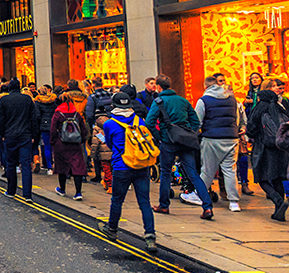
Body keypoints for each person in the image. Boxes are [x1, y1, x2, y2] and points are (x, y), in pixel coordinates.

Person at [145, 74, 214, 219]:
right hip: (185, 141)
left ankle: (164, 205)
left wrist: (160, 137)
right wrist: (190, 133)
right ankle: (207, 207)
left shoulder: (158, 101)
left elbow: (150, 122)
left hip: (168, 141)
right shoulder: (183, 100)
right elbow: (195, 121)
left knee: (165, 173)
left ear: (158, 86)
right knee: (193, 174)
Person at [99, 92, 158, 252]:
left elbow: (110, 144)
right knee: (144, 202)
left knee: (117, 200)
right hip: (141, 165)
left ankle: (112, 229)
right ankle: (150, 237)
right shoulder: (139, 120)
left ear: (114, 105)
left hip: (122, 166)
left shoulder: (110, 124)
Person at [195, 76, 242, 213]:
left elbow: (197, 121)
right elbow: (237, 119)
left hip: (212, 138)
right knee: (230, 171)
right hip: (231, 138)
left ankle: (200, 195)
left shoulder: (204, 100)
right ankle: (234, 202)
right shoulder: (232, 99)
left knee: (208, 170)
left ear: (206, 87)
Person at [247, 81, 289, 222]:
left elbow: (251, 128)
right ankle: (279, 212)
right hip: (281, 147)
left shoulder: (260, 107)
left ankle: (278, 201)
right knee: (277, 177)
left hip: (263, 147)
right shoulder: (280, 107)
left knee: (261, 177)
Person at [0, 79, 37, 200]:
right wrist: (34, 135)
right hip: (25, 135)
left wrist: (2, 134)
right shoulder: (27, 99)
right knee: (26, 165)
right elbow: (33, 119)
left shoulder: (4, 100)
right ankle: (27, 194)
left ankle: (11, 190)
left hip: (10, 135)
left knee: (11, 164)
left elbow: (0, 120)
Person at [51, 85, 90, 200]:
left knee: (62, 167)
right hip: (75, 144)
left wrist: (53, 142)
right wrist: (82, 139)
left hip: (61, 143)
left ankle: (62, 189)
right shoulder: (76, 113)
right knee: (77, 166)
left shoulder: (58, 114)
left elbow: (53, 130)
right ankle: (78, 192)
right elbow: (83, 128)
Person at [33, 84, 59, 175]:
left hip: (44, 126)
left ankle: (49, 167)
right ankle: (57, 166)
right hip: (54, 125)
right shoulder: (53, 101)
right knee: (54, 147)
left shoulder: (38, 102)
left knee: (46, 146)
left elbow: (37, 116)